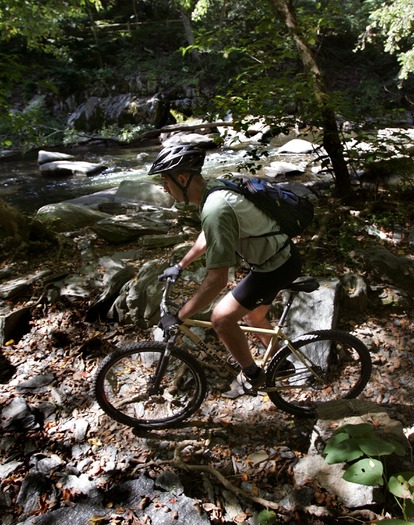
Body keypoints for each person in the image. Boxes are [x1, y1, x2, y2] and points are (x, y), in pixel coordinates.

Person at [149, 144, 302, 393]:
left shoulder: (215, 207)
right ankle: (280, 365)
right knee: (253, 316)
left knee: (221, 318)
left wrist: (179, 317)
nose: (164, 188)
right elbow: (210, 234)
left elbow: (216, 281)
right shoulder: (213, 191)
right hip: (280, 257)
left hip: (276, 266)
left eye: (165, 181)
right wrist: (180, 265)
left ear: (182, 178)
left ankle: (253, 374)